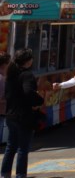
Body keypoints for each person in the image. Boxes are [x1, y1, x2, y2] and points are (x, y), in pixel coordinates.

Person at [1, 49, 42, 178]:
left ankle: (4, 174)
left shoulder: (11, 74)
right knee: (23, 149)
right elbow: (28, 91)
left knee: (10, 146)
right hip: (24, 116)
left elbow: (7, 95)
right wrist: (39, 100)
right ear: (28, 61)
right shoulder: (27, 75)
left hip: (11, 115)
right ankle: (20, 175)